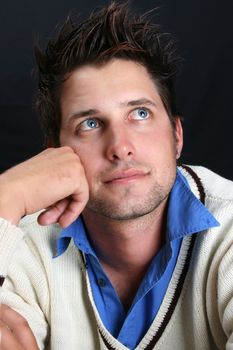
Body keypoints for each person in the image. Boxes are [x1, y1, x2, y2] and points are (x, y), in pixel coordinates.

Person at [0, 1, 232, 349]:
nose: (120, 147)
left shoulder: (228, 227)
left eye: (140, 113)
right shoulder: (17, 241)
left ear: (176, 136)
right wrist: (6, 196)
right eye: (90, 124)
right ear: (54, 154)